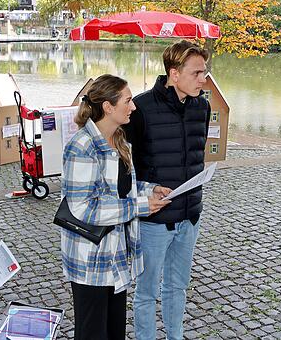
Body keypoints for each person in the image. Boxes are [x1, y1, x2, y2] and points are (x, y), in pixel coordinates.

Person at [60, 74, 171, 340]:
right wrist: (140, 206)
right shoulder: (82, 146)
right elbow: (84, 208)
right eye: (128, 100)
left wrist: (149, 190)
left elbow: (120, 188)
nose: (133, 107)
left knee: (114, 332)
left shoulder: (119, 140)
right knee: (92, 334)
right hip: (91, 259)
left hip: (117, 254)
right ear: (108, 107)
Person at [125, 40, 211, 340]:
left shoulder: (203, 105)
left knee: (178, 286)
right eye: (197, 72)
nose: (204, 78)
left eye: (205, 71)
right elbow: (123, 162)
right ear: (174, 74)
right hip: (154, 221)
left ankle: (175, 336)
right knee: (147, 290)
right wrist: (142, 193)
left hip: (190, 216)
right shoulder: (141, 107)